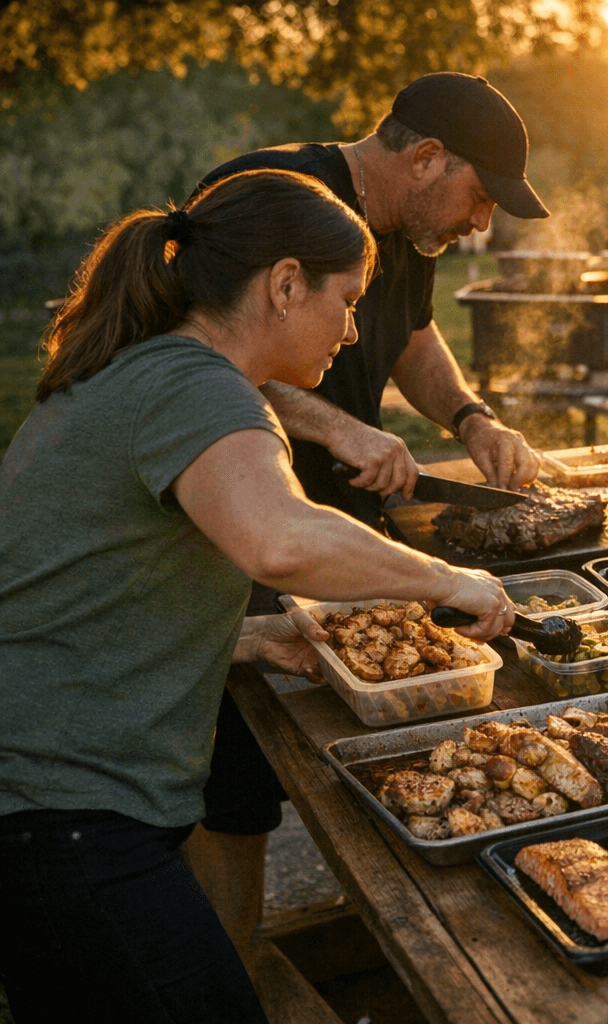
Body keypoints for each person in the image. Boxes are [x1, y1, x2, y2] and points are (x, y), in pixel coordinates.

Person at [0, 170, 518, 1023]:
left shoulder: (153, 368)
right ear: (284, 285)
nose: (353, 331)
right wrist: (448, 579)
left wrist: (236, 640)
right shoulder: (193, 386)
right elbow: (280, 540)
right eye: (347, 301)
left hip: (48, 808)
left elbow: (85, 585)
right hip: (62, 819)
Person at [183, 72, 552, 972]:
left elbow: (414, 336)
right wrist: (333, 424)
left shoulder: (412, 233)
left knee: (368, 753)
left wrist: (470, 418)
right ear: (426, 158)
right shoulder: (271, 195)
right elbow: (193, 352)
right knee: (232, 787)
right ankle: (227, 977)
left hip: (341, 535)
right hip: (240, 529)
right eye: (479, 197)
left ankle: (386, 946)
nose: (480, 224)